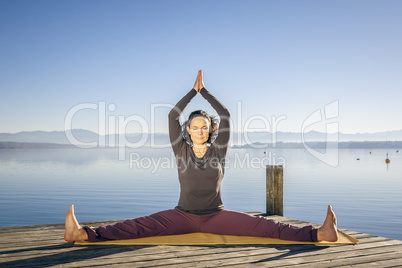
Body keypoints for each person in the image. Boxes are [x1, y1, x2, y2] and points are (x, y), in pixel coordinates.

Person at [64, 70, 338, 243]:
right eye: (193, 127)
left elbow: (227, 115)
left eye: (203, 128)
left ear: (210, 131)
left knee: (264, 226)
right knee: (138, 226)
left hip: (216, 216)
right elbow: (172, 115)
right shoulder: (180, 147)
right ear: (187, 130)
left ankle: (319, 234)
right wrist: (191, 93)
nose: (198, 131)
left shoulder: (219, 149)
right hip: (181, 215)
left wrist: (205, 92)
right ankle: (83, 233)